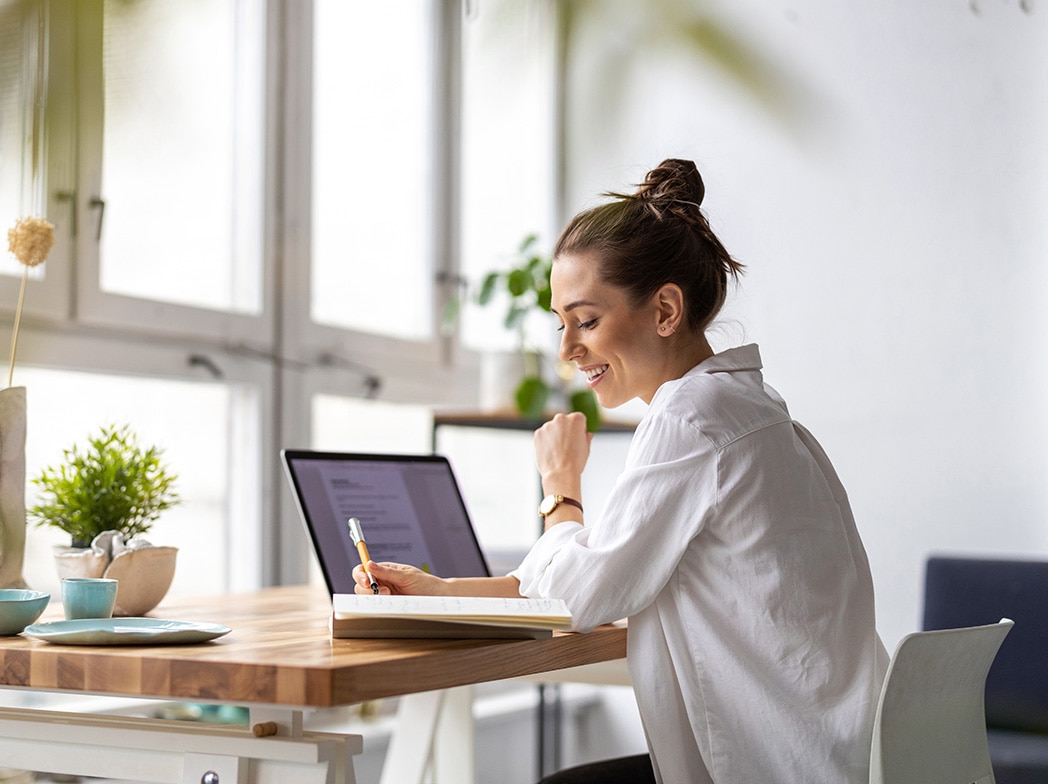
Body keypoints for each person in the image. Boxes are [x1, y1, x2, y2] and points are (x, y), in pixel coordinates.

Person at [353, 159, 888, 783]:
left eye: (586, 320)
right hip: (831, 753)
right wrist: (443, 593)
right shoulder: (749, 409)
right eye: (560, 323)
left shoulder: (690, 419)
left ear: (665, 310)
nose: (566, 349)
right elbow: (598, 573)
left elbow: (579, 593)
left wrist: (560, 490)